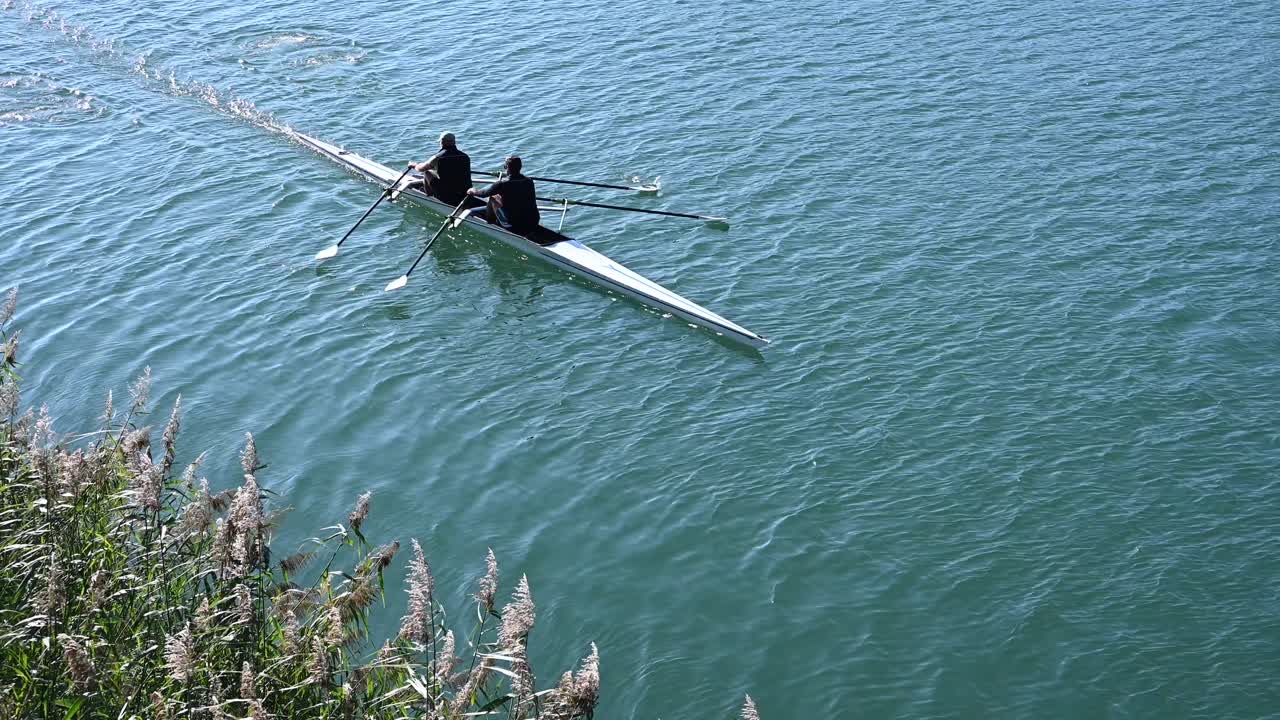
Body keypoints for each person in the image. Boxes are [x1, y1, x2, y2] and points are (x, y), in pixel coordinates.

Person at [464, 155, 540, 236]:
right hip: (533, 222)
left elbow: (483, 194)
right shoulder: (529, 181)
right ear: (520, 167)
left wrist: (473, 191)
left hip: (514, 225)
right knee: (498, 197)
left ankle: (490, 223)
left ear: (507, 167)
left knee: (492, 198)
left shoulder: (502, 183)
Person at [393, 132, 475, 205]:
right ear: (454, 142)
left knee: (427, 172)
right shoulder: (465, 156)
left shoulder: (438, 157)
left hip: (447, 196)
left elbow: (421, 168)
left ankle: (428, 195)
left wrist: (414, 165)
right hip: (465, 193)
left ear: (442, 142)